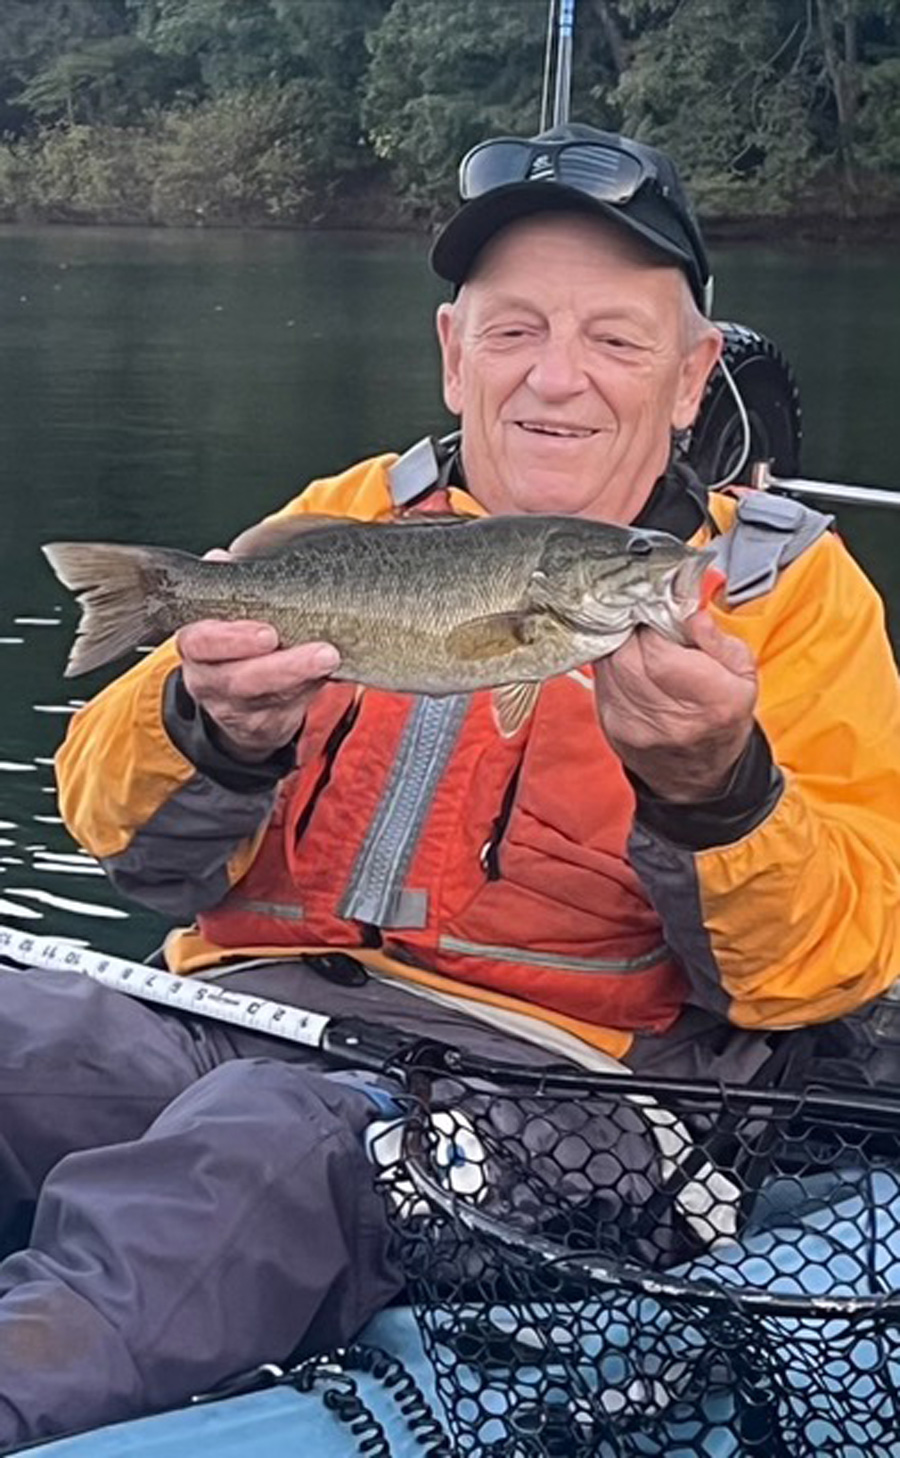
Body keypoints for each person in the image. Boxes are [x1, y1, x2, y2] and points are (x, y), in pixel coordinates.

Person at [0, 121, 898, 1448]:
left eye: (615, 336)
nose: (559, 378)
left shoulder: (782, 598)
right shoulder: (348, 518)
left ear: (694, 372)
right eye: (516, 328)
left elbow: (830, 966)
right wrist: (209, 722)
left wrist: (718, 789)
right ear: (452, 351)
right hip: (237, 1018)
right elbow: (119, 833)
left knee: (257, 1147)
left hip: (553, 1106)